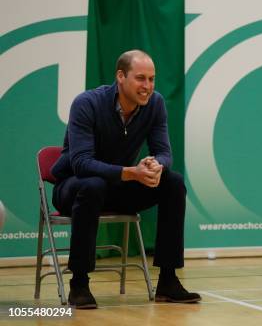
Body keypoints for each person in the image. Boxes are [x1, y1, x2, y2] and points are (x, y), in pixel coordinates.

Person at [51, 50, 201, 309]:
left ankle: (168, 280)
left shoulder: (155, 103)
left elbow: (165, 152)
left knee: (173, 183)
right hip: (73, 187)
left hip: (118, 187)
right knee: (93, 184)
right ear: (120, 76)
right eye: (140, 78)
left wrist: (155, 165)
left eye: (152, 79)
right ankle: (79, 283)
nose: (148, 86)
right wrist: (131, 172)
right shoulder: (87, 103)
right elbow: (81, 163)